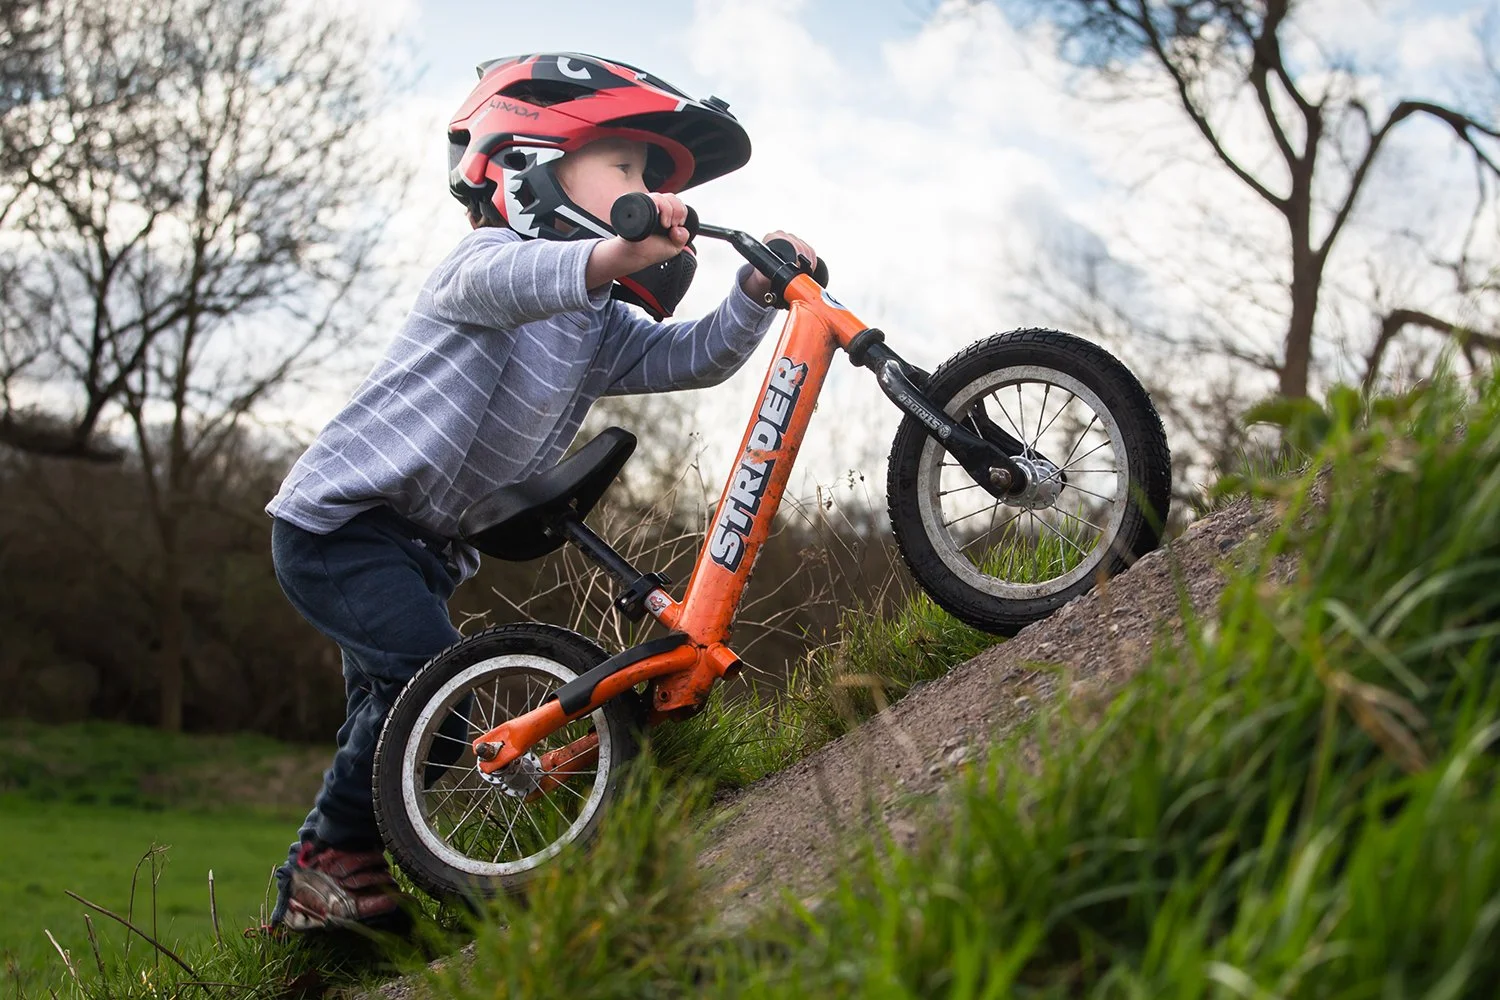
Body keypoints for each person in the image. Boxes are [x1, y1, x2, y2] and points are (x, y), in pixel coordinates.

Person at [260, 52, 817, 932]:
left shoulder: (592, 322)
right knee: (429, 702)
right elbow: (526, 280)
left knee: (396, 717)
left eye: (647, 177)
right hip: (339, 526)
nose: (646, 187)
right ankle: (328, 860)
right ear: (530, 161)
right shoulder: (480, 265)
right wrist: (615, 252)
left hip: (424, 549)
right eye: (625, 168)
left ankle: (326, 879)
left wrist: (753, 294)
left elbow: (692, 358)